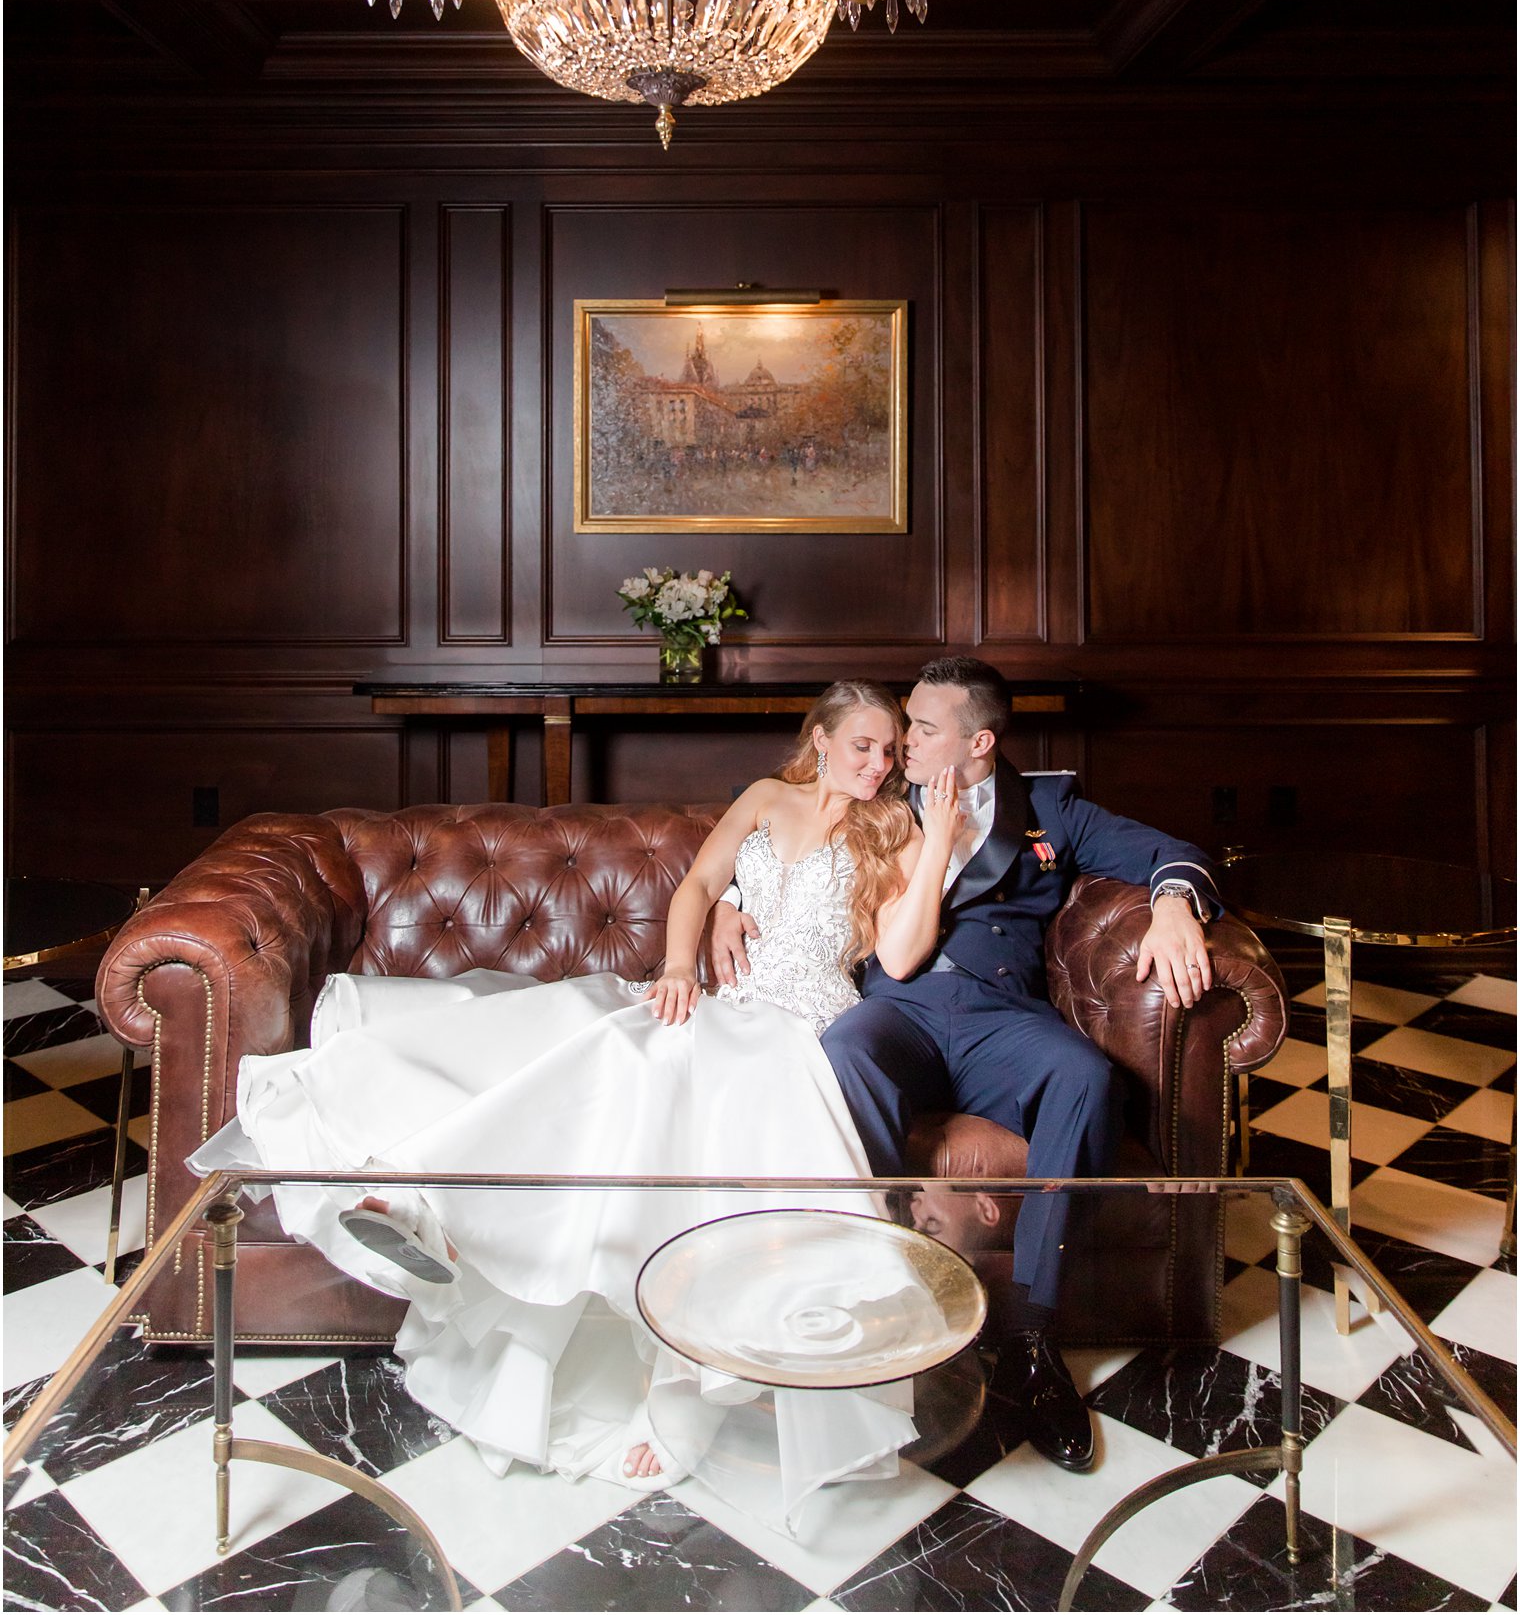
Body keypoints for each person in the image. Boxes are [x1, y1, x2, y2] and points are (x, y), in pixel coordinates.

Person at [230, 681, 962, 1537]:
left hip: (795, 1030)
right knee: (603, 1046)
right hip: (721, 1001)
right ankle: (422, 1194)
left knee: (670, 1091)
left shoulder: (896, 828)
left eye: (887, 750)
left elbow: (905, 955)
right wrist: (683, 964)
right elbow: (694, 887)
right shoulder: (767, 797)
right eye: (862, 746)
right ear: (822, 740)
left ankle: (676, 1374)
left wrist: (939, 834)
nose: (878, 764)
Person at [711, 653, 1217, 1474]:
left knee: (1085, 1077)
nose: (900, 738)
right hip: (898, 1008)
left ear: (978, 740)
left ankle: (1033, 1337)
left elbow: (1171, 848)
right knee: (845, 1048)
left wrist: (1170, 906)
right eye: (903, 721)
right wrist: (730, 905)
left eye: (922, 726)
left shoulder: (1051, 809)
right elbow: (789, 840)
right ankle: (871, 1295)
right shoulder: (879, 790)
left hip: (1000, 1017)